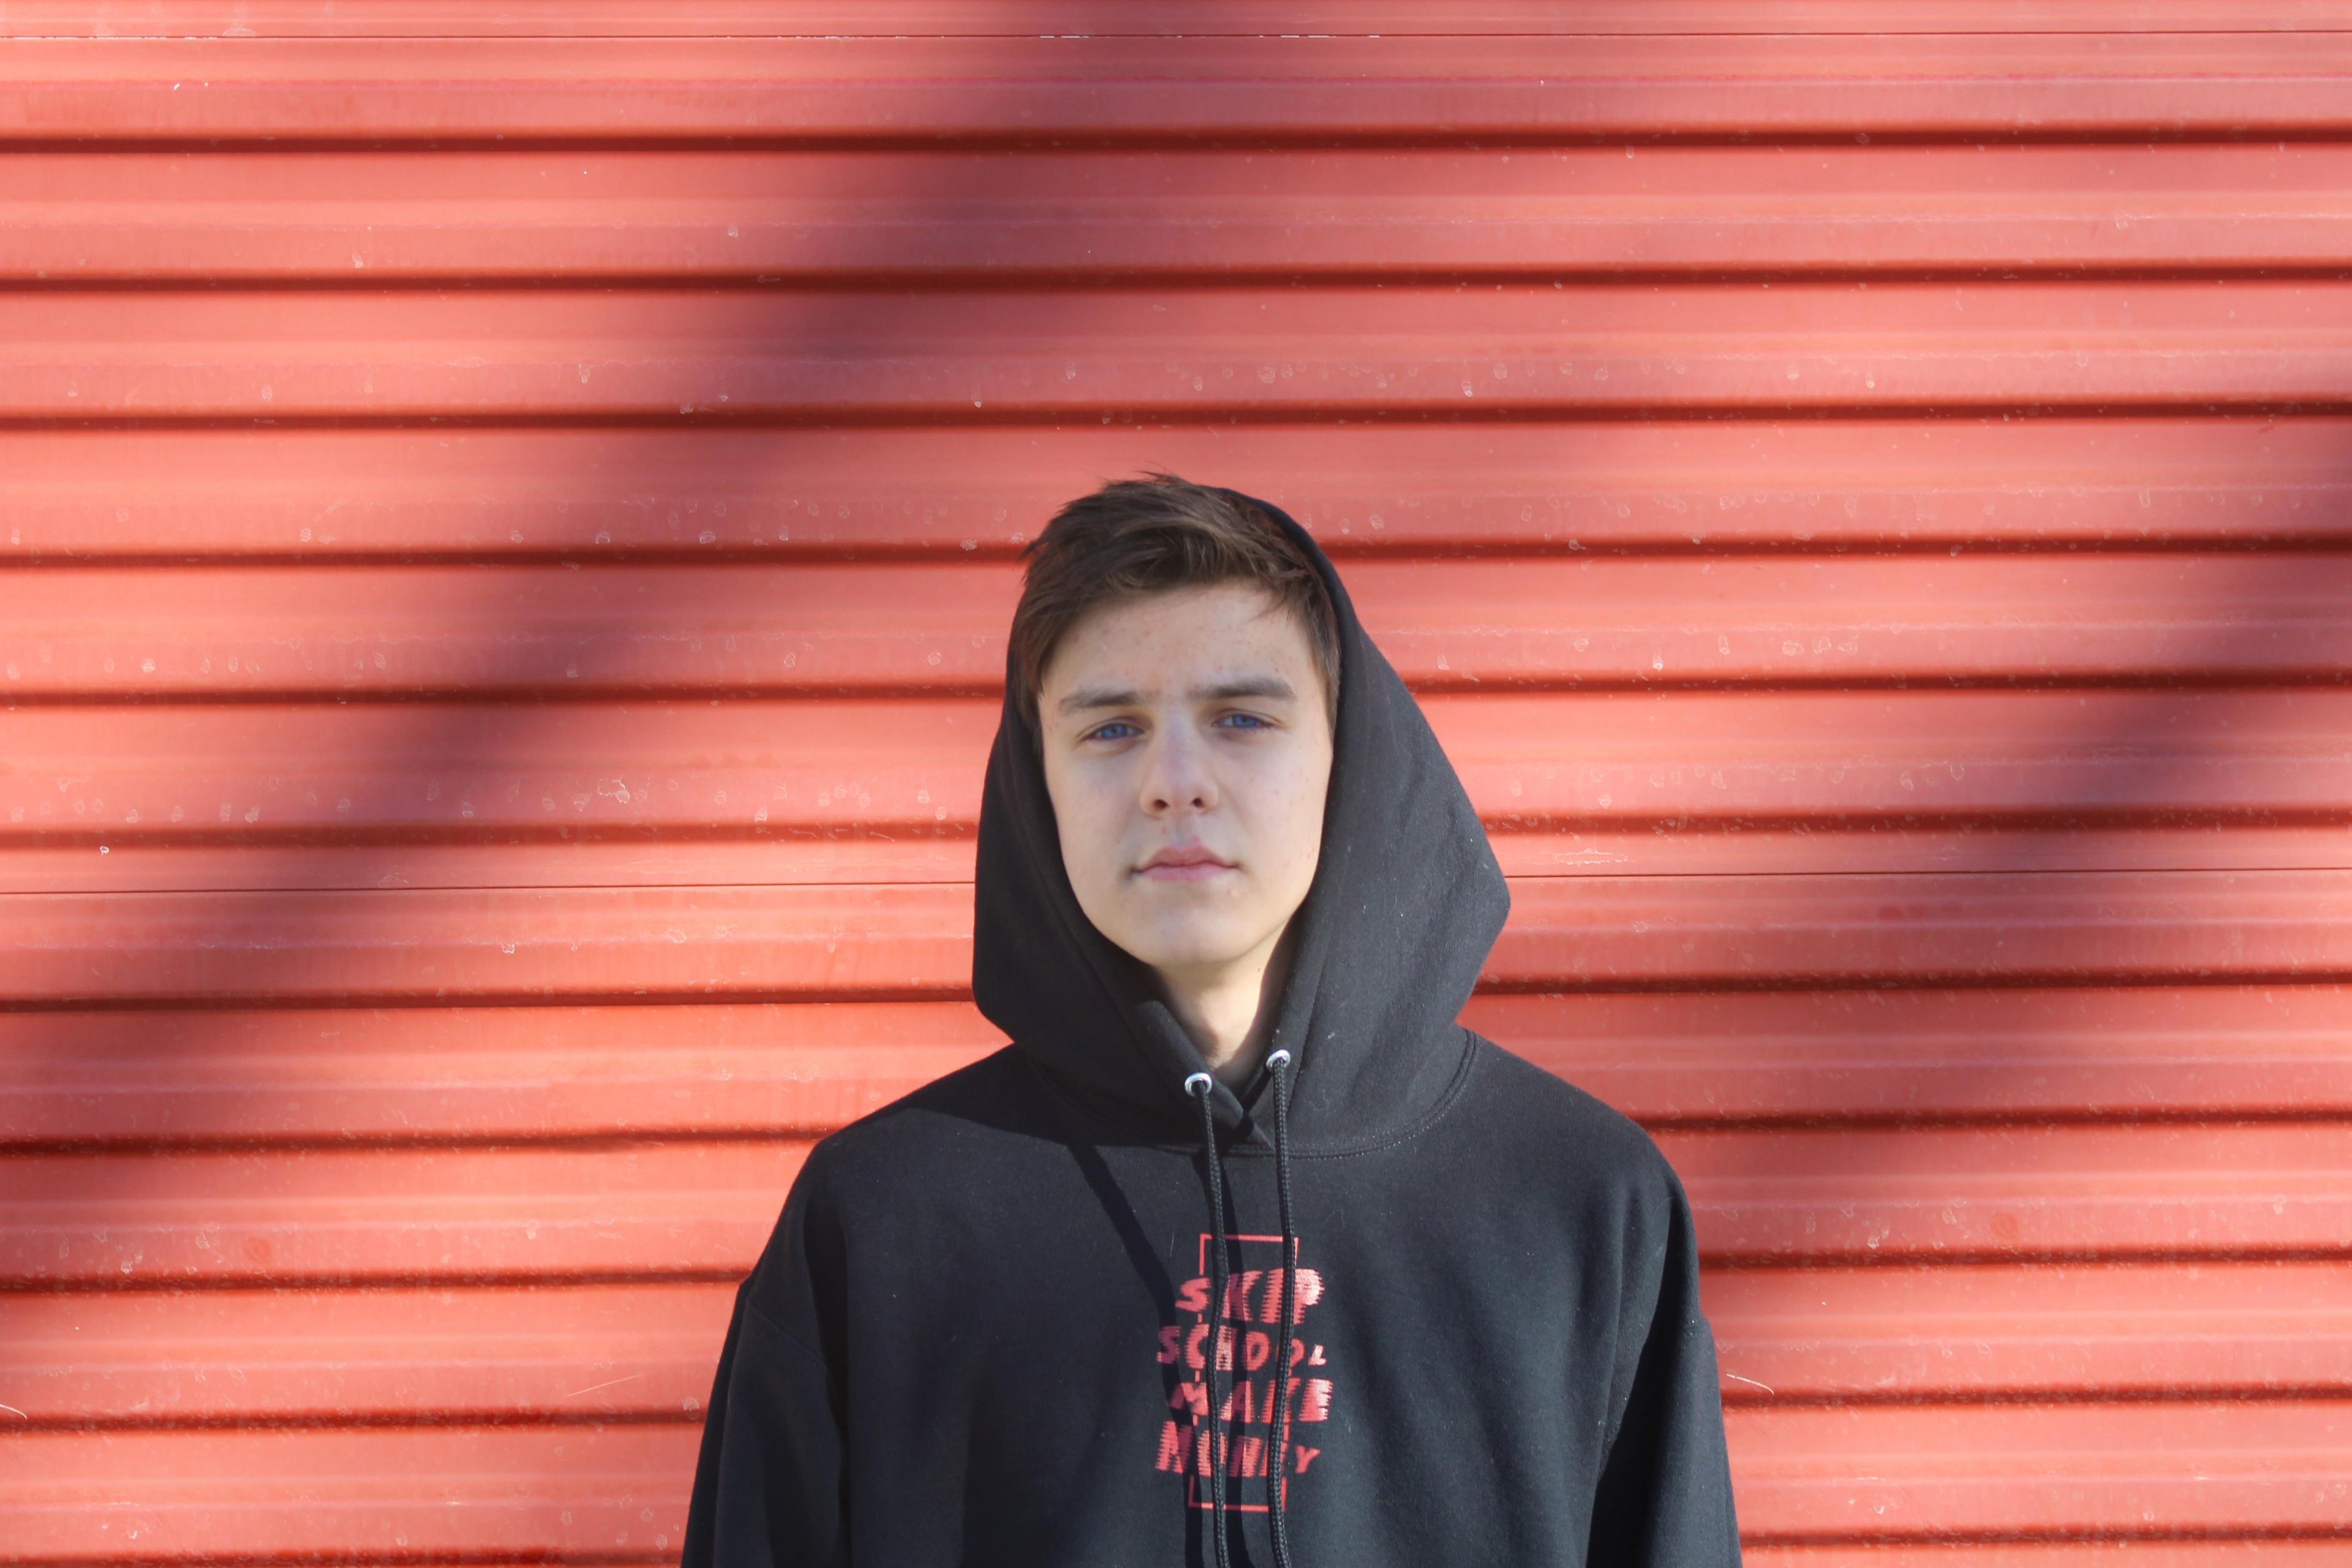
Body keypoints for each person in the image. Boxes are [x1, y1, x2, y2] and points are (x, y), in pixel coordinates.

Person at [679, 475, 1742, 1566]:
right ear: (1036, 781)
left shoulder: (1582, 1205)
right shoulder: (881, 1223)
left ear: (1350, 761)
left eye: (1242, 718)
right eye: (1109, 728)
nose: (1172, 782)